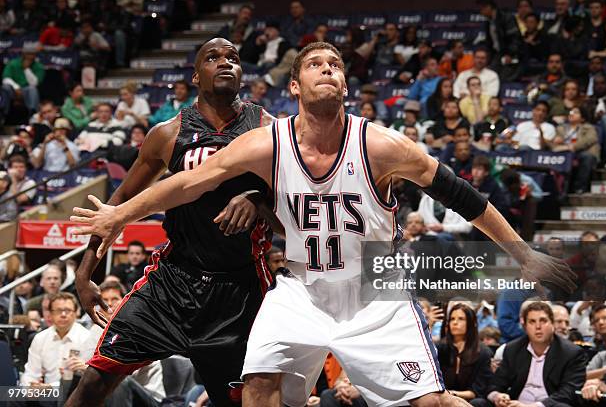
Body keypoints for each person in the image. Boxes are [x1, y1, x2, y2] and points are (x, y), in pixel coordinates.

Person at [71, 41, 576, 407]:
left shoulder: (381, 144)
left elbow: (463, 196)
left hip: (373, 290)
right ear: (295, 85)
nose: (328, 69)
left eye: (335, 64)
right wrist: (120, 213)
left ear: (345, 84)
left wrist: (522, 254)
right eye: (315, 64)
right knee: (259, 387)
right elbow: (188, 184)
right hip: (301, 289)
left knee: (431, 404)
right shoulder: (266, 142)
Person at [64, 38, 276, 407]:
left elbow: (298, 201)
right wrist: (84, 276)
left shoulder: (268, 129)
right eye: (213, 58)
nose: (225, 63)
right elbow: (118, 205)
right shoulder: (167, 134)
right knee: (93, 383)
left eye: (233, 58)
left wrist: (258, 199)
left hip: (238, 290)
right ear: (196, 76)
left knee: (238, 402)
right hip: (172, 284)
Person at [472, 301, 587, 407]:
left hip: (547, 405)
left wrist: (534, 406)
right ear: (525, 326)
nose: (538, 327)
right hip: (515, 403)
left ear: (552, 324)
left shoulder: (571, 353)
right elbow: (495, 384)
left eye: (543, 321)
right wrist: (497, 396)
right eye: (532, 322)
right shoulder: (512, 349)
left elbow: (568, 392)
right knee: (478, 403)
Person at [82, 281, 167, 405]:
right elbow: (84, 360)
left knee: (117, 383)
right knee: (71, 379)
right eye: (104, 299)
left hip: (149, 398)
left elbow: (124, 371)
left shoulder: (136, 326)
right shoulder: (96, 329)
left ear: (125, 300)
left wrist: (89, 370)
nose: (109, 304)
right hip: (113, 390)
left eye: (114, 299)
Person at [20, 292, 90, 388]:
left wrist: (49, 387)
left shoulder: (87, 338)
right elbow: (31, 373)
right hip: (45, 393)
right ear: (51, 313)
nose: (63, 315)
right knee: (12, 397)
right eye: (58, 310)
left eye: (68, 310)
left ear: (76, 312)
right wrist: (30, 386)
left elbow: (90, 376)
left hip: (75, 392)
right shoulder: (40, 338)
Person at [437, 303, 493, 402]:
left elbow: (477, 390)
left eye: (461, 319)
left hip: (470, 400)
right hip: (442, 398)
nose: (455, 322)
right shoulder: (439, 349)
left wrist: (453, 394)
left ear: (472, 323)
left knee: (478, 402)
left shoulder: (483, 352)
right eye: (452, 319)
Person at [551, 106, 599, 193]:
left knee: (587, 157)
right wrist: (556, 141)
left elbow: (590, 139)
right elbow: (554, 144)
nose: (571, 114)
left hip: (581, 152)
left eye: (576, 112)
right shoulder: (560, 128)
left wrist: (573, 146)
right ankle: (559, 189)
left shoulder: (589, 128)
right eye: (571, 112)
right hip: (564, 153)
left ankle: (579, 187)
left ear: (583, 118)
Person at [1, 44, 45, 114]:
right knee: (5, 87)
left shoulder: (39, 66)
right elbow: (5, 79)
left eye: (32, 54)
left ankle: (32, 115)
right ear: (23, 54)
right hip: (13, 89)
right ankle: (2, 114)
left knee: (32, 89)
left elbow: (34, 84)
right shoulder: (13, 63)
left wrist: (26, 69)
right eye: (28, 54)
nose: (30, 56)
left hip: (26, 91)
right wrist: (16, 87)